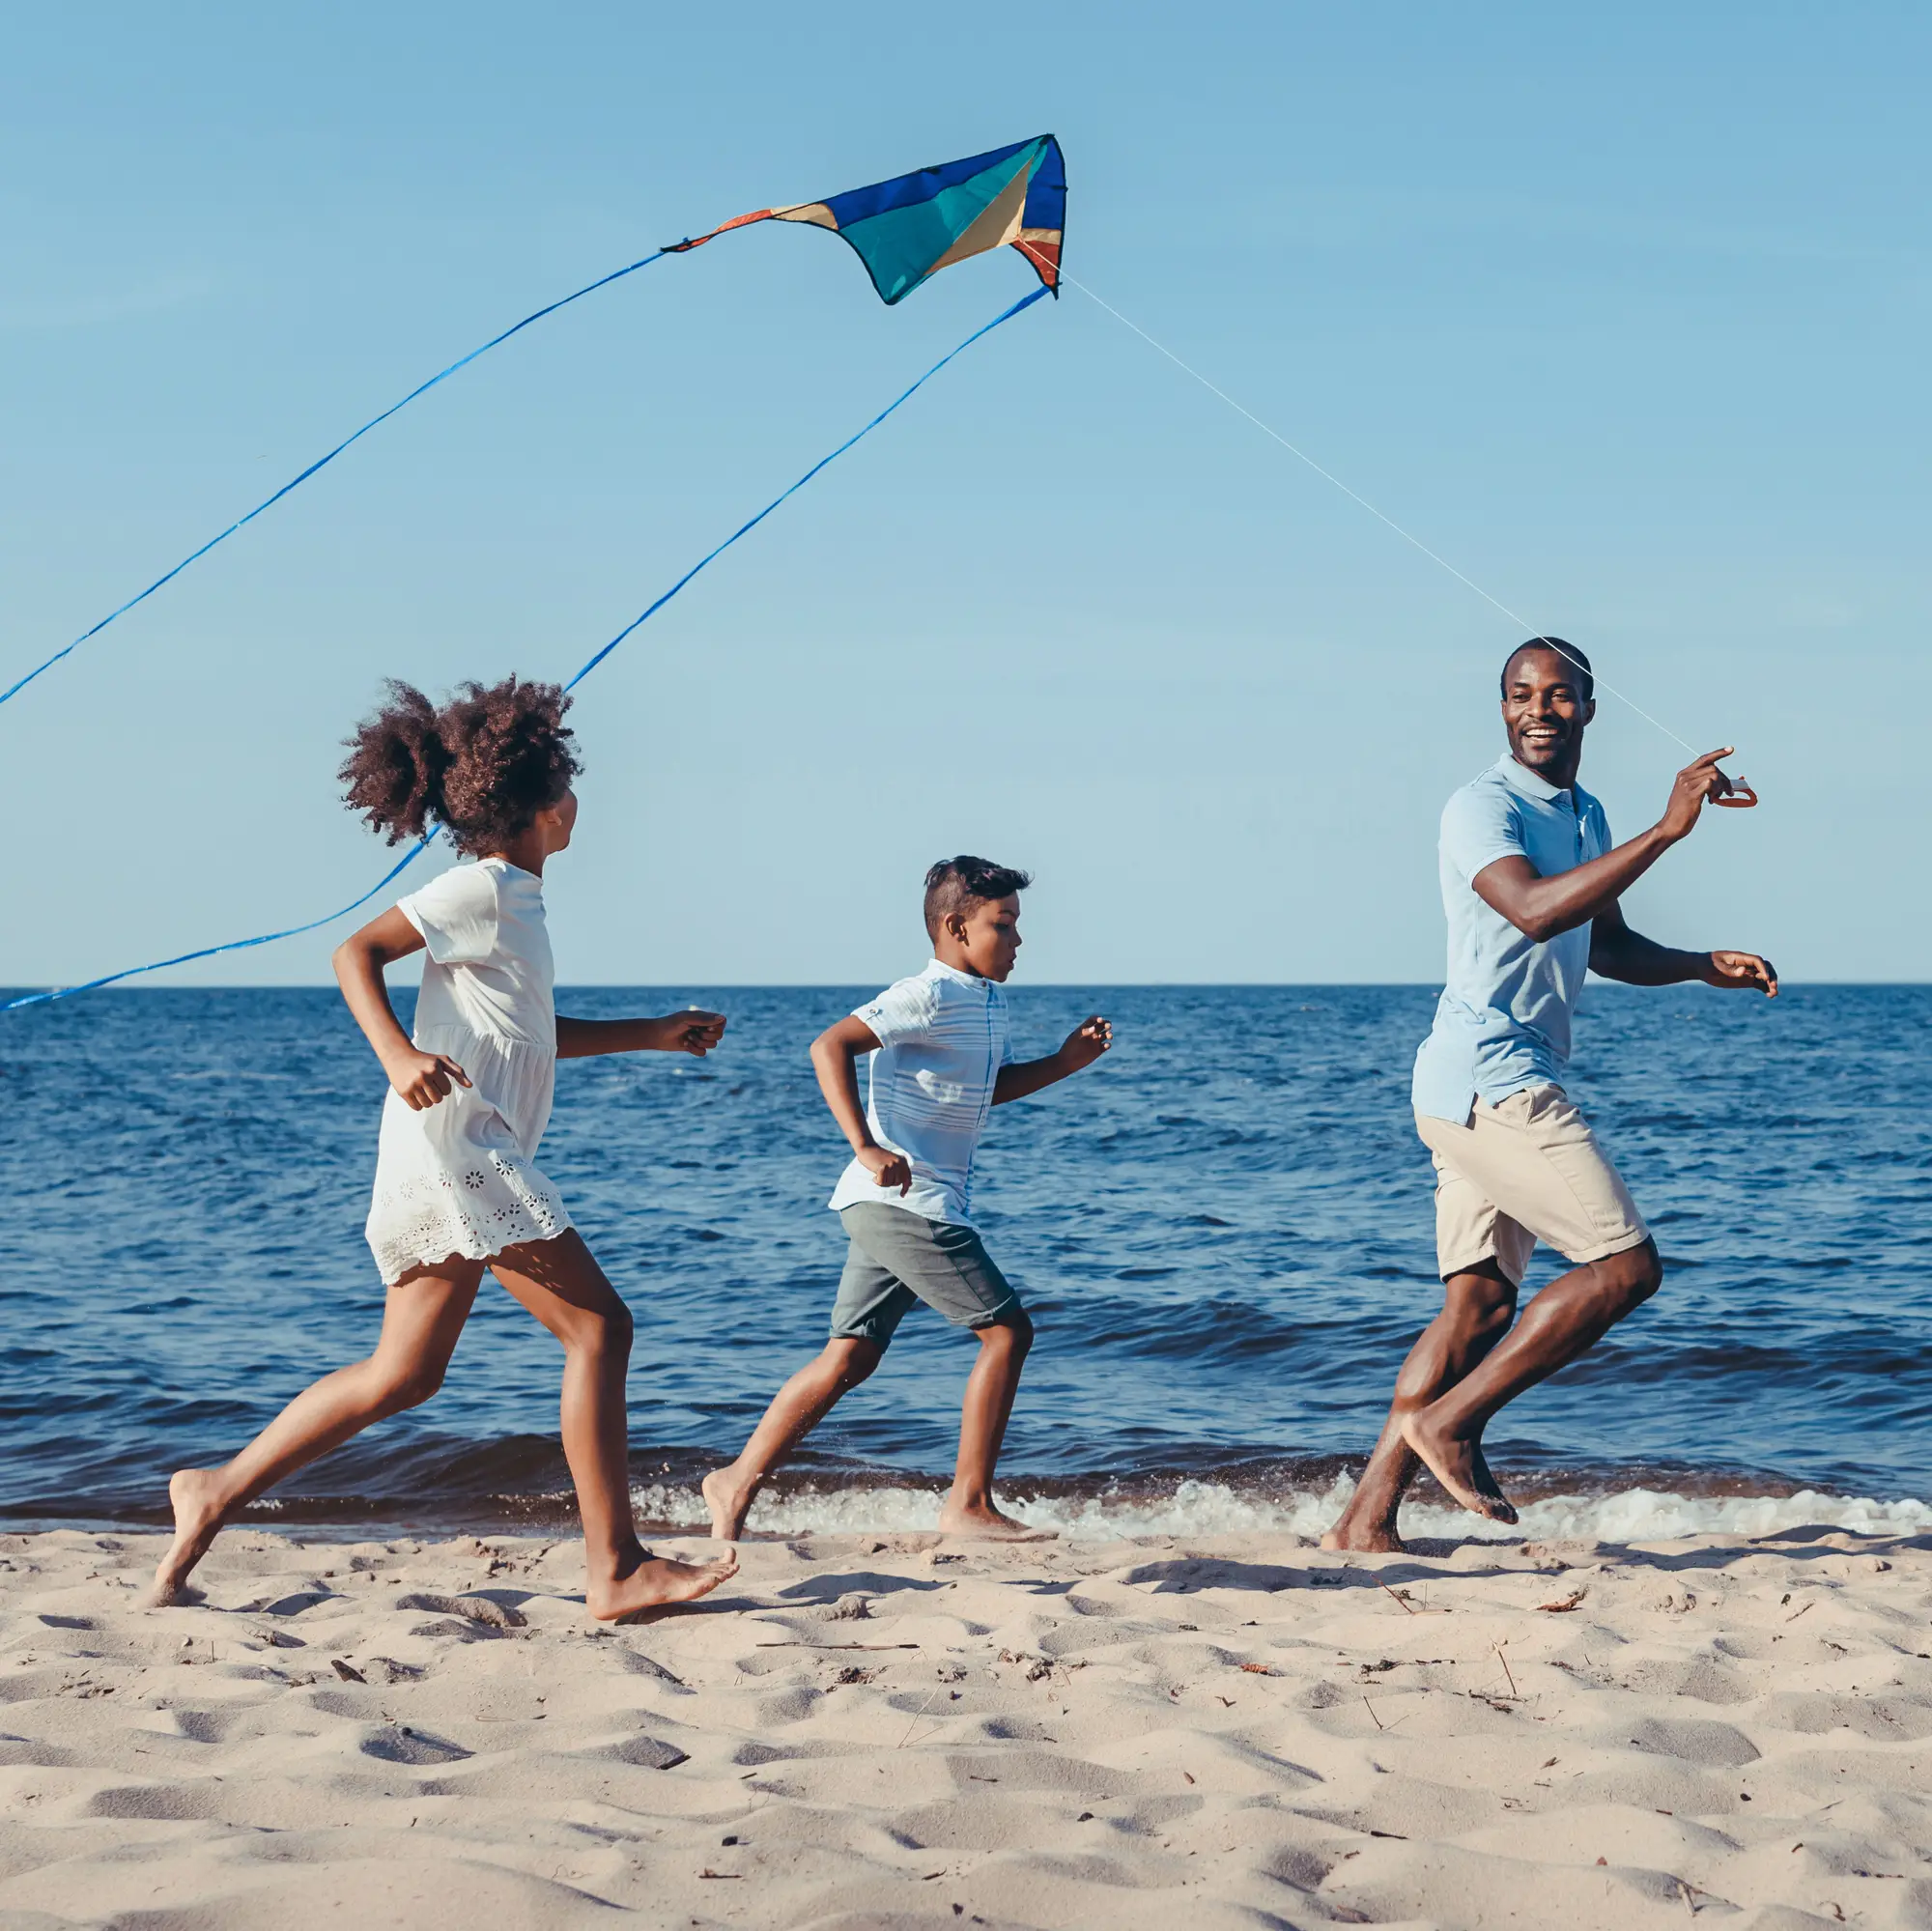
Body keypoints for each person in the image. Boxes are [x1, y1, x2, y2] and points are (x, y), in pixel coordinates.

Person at [150, 676, 739, 1617]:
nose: (580, 800)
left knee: (405, 1373)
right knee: (599, 1328)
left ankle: (213, 1489)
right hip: (459, 1149)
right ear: (548, 807)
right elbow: (353, 952)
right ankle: (616, 1567)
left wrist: (651, 1031)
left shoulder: (515, 901)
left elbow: (529, 1030)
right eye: (569, 785)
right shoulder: (482, 888)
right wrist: (396, 1053)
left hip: (450, 1149)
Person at [1324, 639, 1776, 1552]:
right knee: (1625, 1268)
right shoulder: (1479, 807)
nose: (1540, 709)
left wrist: (1696, 966)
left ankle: (1363, 1521)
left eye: (1559, 695)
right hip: (1489, 1076)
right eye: (1522, 695)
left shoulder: (1584, 811)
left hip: (1477, 1081)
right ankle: (1452, 1424)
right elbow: (1534, 909)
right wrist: (1667, 830)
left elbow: (1600, 941)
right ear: (1501, 711)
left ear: (1588, 709)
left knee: (1478, 1309)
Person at [702, 857, 1112, 1544]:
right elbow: (829, 1044)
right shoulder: (927, 993)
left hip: (900, 1203)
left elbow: (982, 1090)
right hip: (906, 1198)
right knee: (1007, 1332)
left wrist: (1063, 1064)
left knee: (850, 1356)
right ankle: (968, 1503)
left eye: (1017, 926)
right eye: (1002, 926)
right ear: (956, 927)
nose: (1017, 941)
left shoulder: (984, 1000)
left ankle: (734, 1479)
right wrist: (865, 1145)